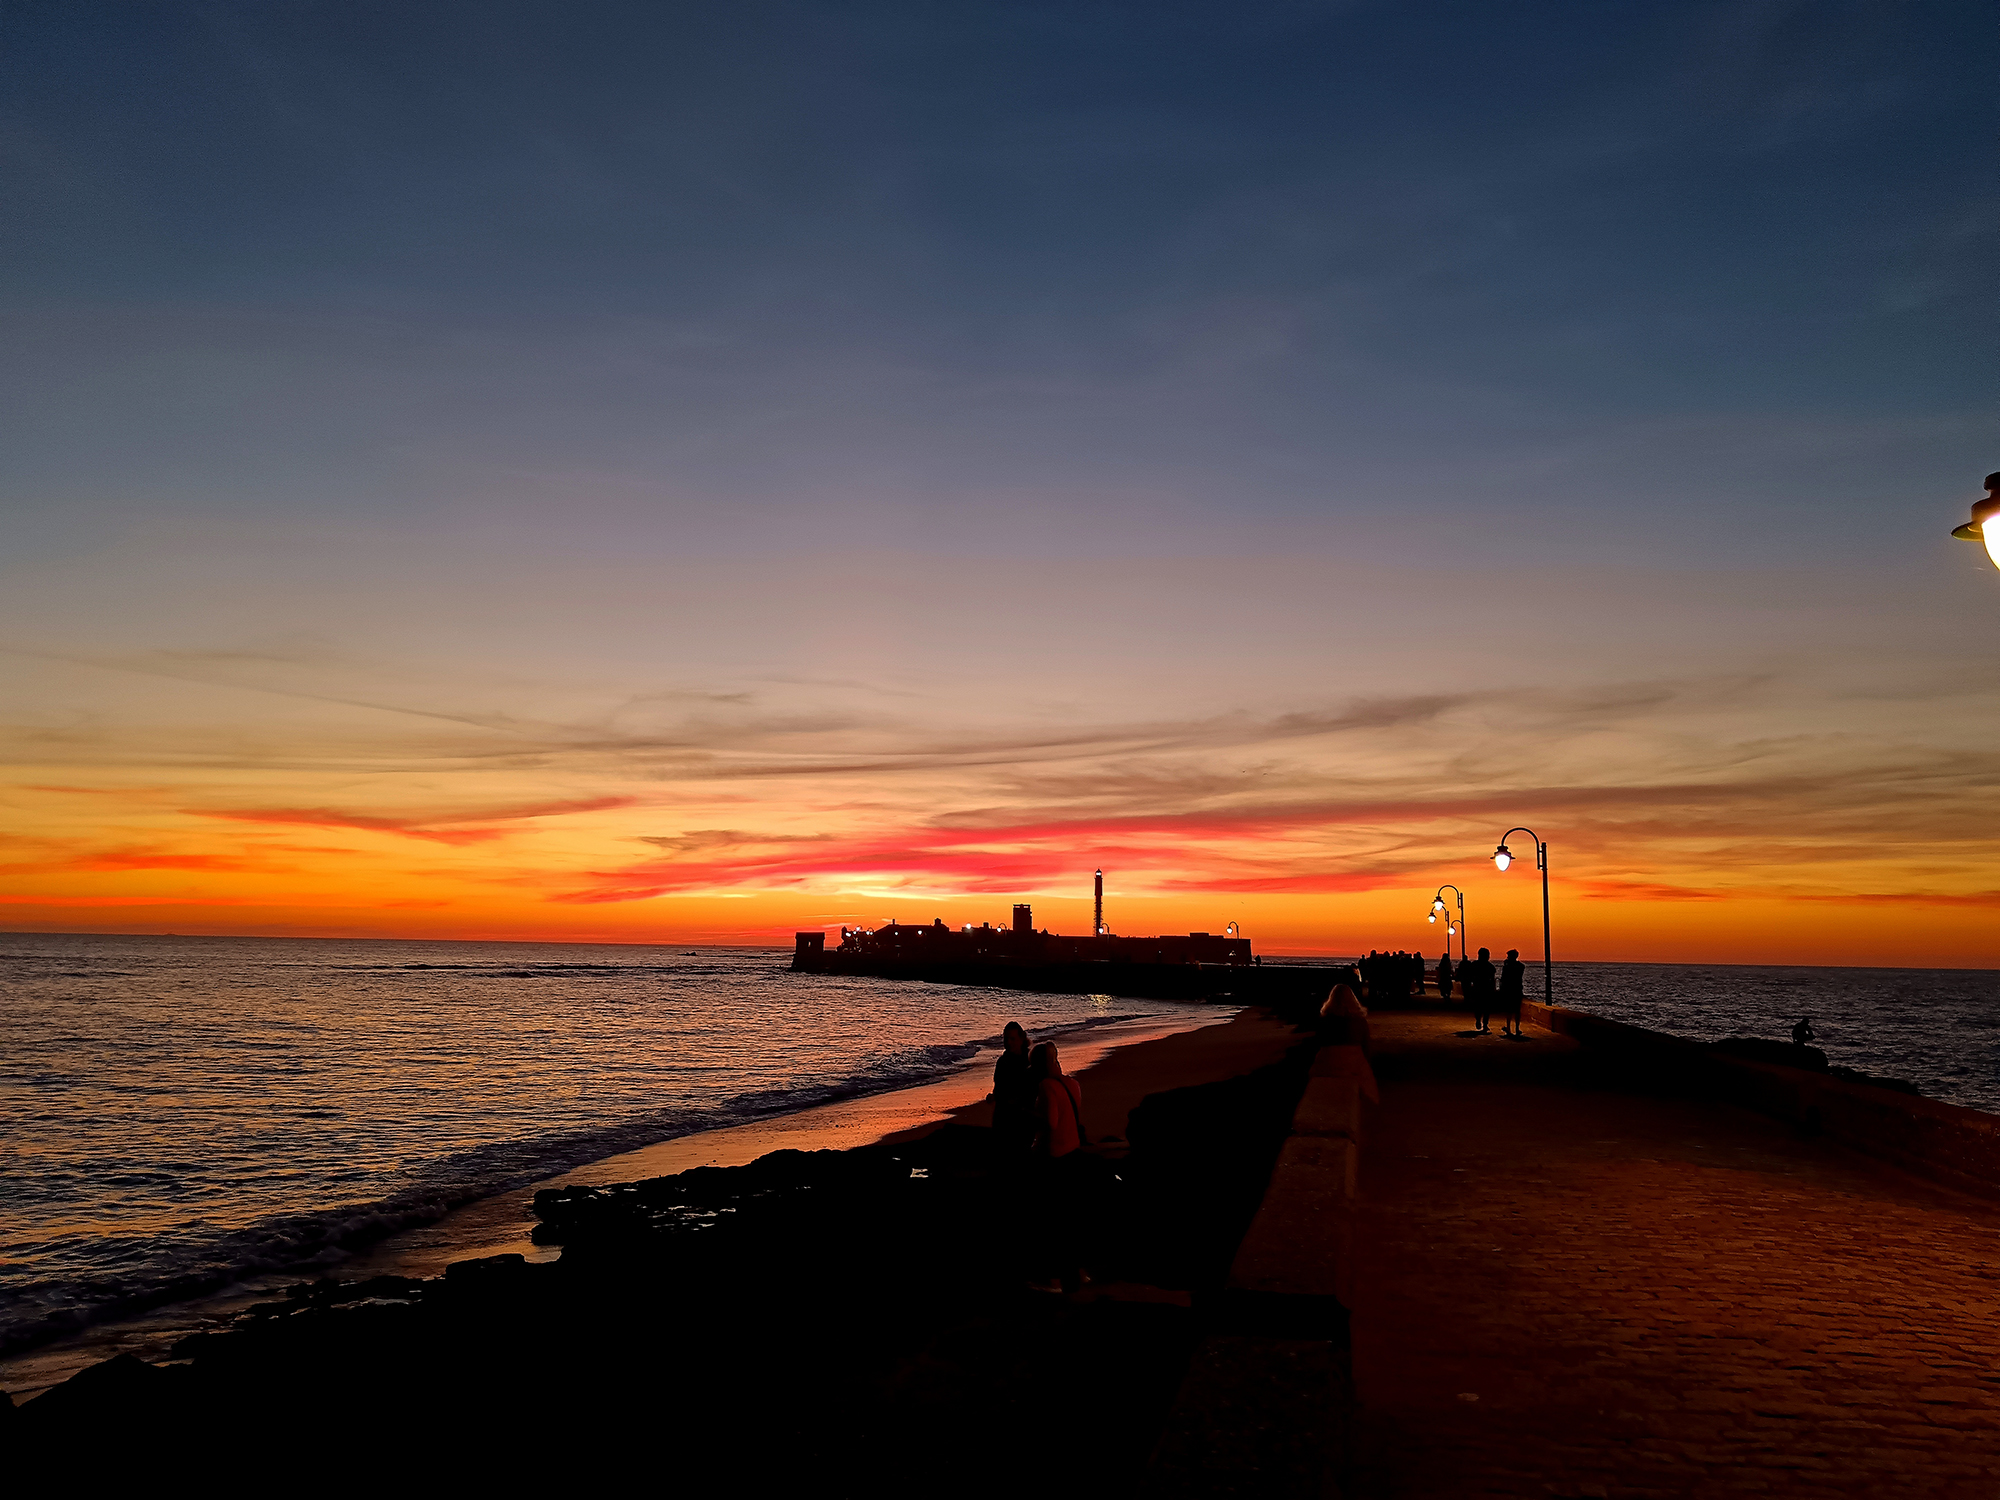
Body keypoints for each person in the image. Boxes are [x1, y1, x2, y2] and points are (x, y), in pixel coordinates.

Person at [1028, 1041, 1091, 1294]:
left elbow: (1051, 1122)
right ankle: (1079, 1271)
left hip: (1055, 1157)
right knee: (1072, 1218)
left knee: (1051, 1220)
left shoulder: (1046, 1086)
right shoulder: (1073, 1084)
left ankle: (1053, 1279)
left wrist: (1028, 1114)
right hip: (1074, 1153)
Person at [990, 1022, 1036, 1154]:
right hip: (1003, 1116)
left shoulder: (1030, 1060)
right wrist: (995, 1096)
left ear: (1021, 1039)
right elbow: (998, 1088)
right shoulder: (1002, 1062)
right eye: (1006, 1039)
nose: (1008, 1043)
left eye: (1012, 1039)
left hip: (1024, 1117)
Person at [1464, 947, 1495, 1034]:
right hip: (1486, 989)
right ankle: (1484, 1024)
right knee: (1486, 1008)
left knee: (1478, 1006)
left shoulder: (1474, 965)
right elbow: (1492, 980)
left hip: (1477, 988)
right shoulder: (1490, 967)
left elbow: (1469, 977)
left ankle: (1479, 1020)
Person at [1499, 949, 1526, 1038]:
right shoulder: (1520, 966)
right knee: (1517, 1010)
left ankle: (1508, 1027)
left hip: (1509, 990)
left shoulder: (1507, 967)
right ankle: (1517, 1028)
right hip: (1517, 989)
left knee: (1509, 1010)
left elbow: (1503, 978)